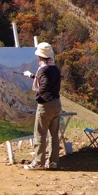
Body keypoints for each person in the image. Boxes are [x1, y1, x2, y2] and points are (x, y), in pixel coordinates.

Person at [23, 42, 62, 170]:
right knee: (54, 135)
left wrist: (41, 94)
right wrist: (33, 76)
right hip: (57, 103)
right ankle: (53, 162)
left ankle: (38, 162)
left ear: (40, 56)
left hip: (46, 105)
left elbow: (44, 85)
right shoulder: (54, 68)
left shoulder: (43, 69)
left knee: (40, 133)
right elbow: (48, 81)